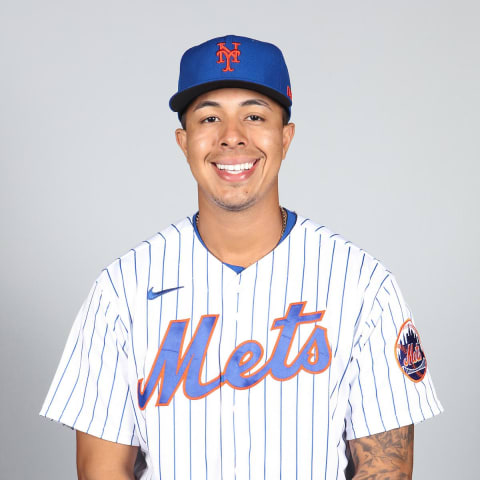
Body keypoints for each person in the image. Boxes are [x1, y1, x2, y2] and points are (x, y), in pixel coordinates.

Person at [40, 34, 442, 479]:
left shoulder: (363, 285)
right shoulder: (121, 290)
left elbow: (385, 467)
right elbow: (102, 470)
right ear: (184, 140)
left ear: (285, 137)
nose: (232, 137)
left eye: (254, 116)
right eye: (210, 118)